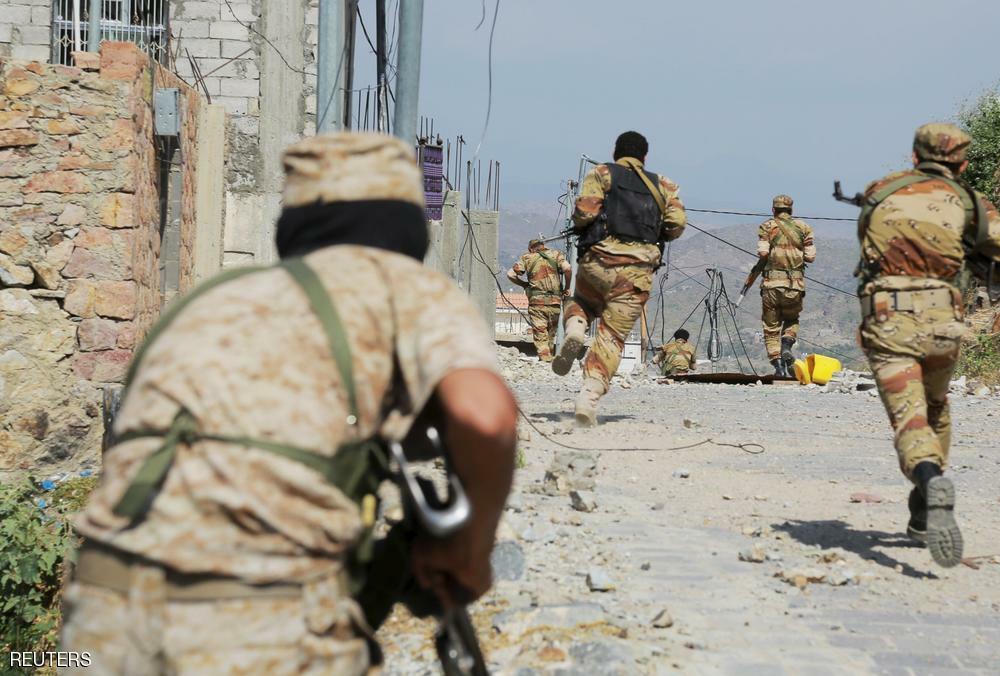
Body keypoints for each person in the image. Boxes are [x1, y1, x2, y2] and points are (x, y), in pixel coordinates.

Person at [60, 132, 519, 674]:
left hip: (99, 612)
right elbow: (485, 416)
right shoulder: (405, 287)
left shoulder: (211, 301)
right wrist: (470, 550)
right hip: (260, 617)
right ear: (407, 227)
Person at [856, 123, 1000, 568]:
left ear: (915, 157)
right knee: (935, 408)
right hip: (942, 316)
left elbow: (868, 243)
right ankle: (921, 512)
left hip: (888, 315)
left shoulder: (881, 190)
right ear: (964, 163)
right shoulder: (973, 202)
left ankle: (929, 480)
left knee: (909, 415)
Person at [553, 130, 686, 426]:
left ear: (616, 153)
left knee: (581, 301)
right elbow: (677, 224)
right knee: (611, 338)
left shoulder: (601, 173)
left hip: (598, 261)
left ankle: (576, 329)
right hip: (636, 274)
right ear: (645, 157)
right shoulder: (664, 184)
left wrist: (581, 225)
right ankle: (588, 396)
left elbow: (584, 212)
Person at [757, 194, 816, 377]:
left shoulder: (767, 227)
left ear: (773, 210)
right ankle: (787, 344)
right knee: (792, 319)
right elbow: (811, 257)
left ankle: (778, 367)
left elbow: (762, 252)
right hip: (795, 286)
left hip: (771, 286)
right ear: (791, 210)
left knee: (771, 327)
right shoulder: (804, 227)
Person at [506, 238, 572, 361]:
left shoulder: (527, 257)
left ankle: (545, 361)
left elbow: (510, 274)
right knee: (551, 336)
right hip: (555, 302)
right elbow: (567, 268)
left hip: (537, 303)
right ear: (543, 246)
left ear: (530, 248)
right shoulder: (556, 254)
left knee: (541, 335)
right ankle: (548, 362)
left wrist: (524, 284)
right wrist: (567, 288)